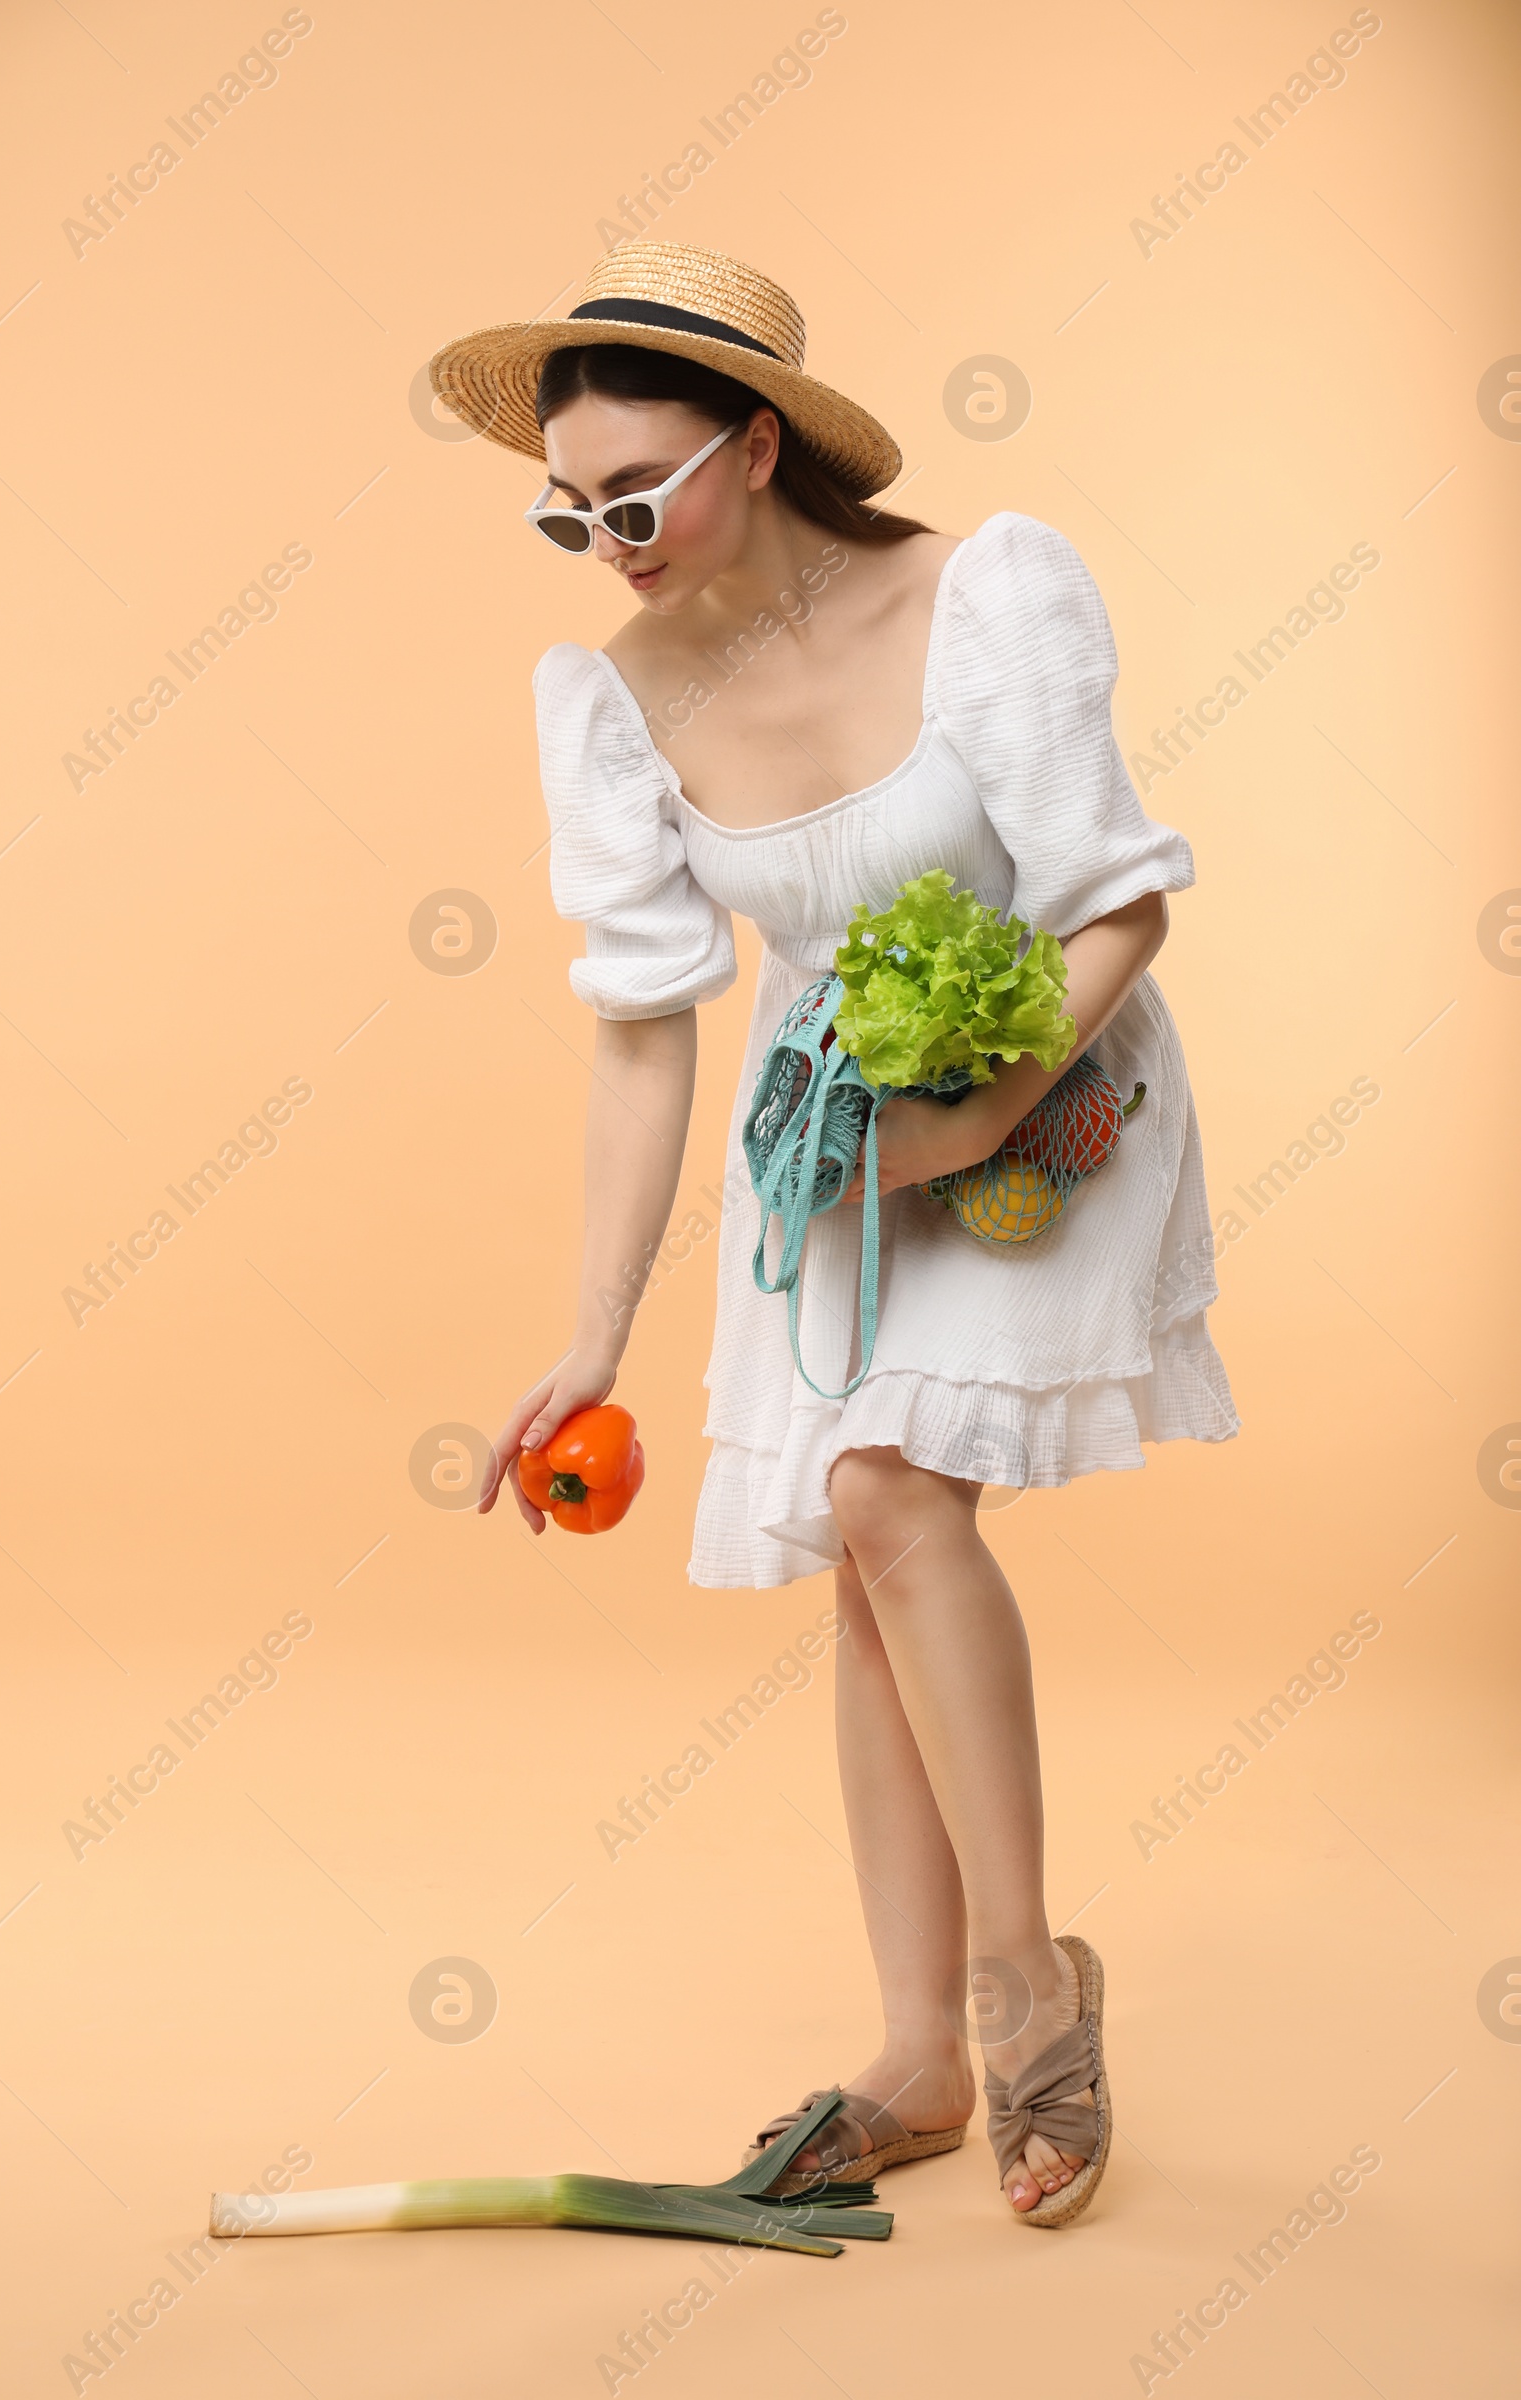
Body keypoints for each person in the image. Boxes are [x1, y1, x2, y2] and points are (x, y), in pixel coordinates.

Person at [439, 242, 1238, 2225]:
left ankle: (1022, 1993)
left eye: (637, 492)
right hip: (826, 1132)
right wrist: (592, 1336)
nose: (603, 539)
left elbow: (1116, 904)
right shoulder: (611, 700)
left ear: (757, 439)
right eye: (569, 509)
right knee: (861, 1554)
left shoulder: (982, 592)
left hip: (1052, 1088)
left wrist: (976, 1106)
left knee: (882, 1488)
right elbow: (645, 1037)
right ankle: (914, 2053)